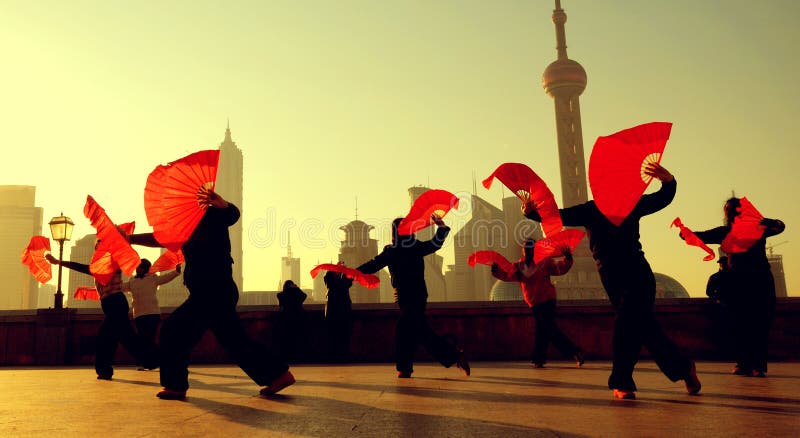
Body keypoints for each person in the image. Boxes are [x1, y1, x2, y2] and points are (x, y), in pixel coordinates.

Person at [523, 162, 700, 400]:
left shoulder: (631, 203)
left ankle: (622, 380)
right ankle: (683, 368)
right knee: (646, 327)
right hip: (611, 276)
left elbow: (661, 199)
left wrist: (668, 181)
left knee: (627, 322)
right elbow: (557, 215)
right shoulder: (590, 210)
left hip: (637, 271)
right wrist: (530, 212)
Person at [130, 188, 293, 399]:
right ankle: (278, 375)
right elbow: (160, 238)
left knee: (173, 330)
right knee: (234, 340)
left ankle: (176, 385)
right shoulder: (184, 226)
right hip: (212, 290)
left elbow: (232, 215)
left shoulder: (210, 214)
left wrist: (222, 203)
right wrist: (130, 238)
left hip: (212, 289)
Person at [357, 214, 470, 378]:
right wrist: (441, 227)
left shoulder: (393, 251)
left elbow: (372, 265)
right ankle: (451, 357)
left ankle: (406, 367)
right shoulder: (408, 248)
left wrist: (353, 273)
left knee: (404, 331)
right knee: (419, 331)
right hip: (415, 296)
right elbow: (434, 244)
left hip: (408, 297)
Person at [692, 197, 785, 377]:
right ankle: (744, 363)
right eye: (727, 209)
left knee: (759, 323)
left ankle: (757, 365)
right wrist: (685, 232)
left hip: (759, 281)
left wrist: (764, 221)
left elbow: (780, 226)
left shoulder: (758, 228)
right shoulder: (725, 232)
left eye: (732, 209)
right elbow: (701, 236)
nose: (729, 212)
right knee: (740, 323)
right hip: (737, 282)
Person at [46, 249, 157, 379]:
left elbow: (84, 268)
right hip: (111, 304)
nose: (97, 251)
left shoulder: (112, 263)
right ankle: (153, 360)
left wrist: (58, 262)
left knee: (108, 336)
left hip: (116, 304)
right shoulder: (100, 267)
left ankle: (106, 369)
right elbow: (99, 281)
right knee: (123, 337)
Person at [491, 238, 584, 368]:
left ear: (535, 249)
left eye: (530, 247)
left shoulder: (545, 263)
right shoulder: (518, 267)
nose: (528, 250)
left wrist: (567, 259)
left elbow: (560, 269)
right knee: (549, 330)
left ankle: (539, 358)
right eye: (526, 248)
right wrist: (496, 271)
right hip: (534, 303)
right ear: (522, 251)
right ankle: (574, 353)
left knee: (544, 328)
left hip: (547, 299)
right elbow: (507, 275)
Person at [120, 258, 181, 370]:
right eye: (137, 267)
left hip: (152, 313)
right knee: (143, 339)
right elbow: (120, 287)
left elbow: (165, 278)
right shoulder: (132, 281)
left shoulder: (153, 278)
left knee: (149, 338)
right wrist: (109, 282)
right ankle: (150, 362)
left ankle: (156, 361)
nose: (138, 269)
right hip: (138, 314)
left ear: (146, 269)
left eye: (141, 267)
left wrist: (176, 272)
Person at [323, 270, 354, 363]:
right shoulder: (331, 281)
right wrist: (341, 275)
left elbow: (348, 282)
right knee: (335, 336)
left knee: (341, 336)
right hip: (337, 313)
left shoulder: (339, 282)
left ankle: (339, 356)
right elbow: (347, 283)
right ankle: (337, 356)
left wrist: (343, 275)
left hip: (339, 313)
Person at [277, 280, 307, 362]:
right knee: (296, 340)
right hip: (297, 320)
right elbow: (304, 295)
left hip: (286, 320)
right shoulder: (297, 295)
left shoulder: (280, 295)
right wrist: (297, 288)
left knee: (286, 340)